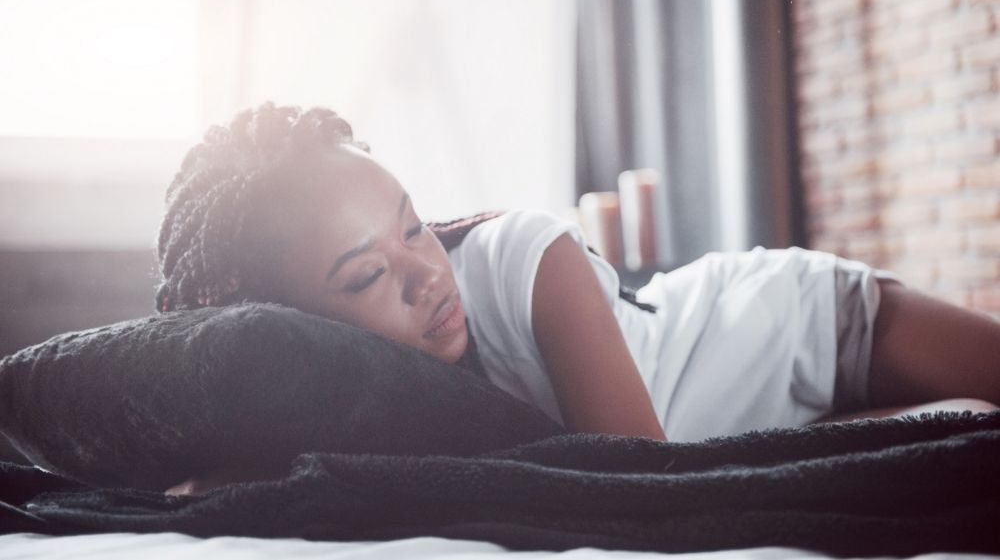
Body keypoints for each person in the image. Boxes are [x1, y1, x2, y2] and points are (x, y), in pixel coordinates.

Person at [155, 103, 999, 467]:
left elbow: (643, 488)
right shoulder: (335, 393)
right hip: (774, 422)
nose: (423, 273)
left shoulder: (527, 258)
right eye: (369, 273)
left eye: (413, 226)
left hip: (809, 324)